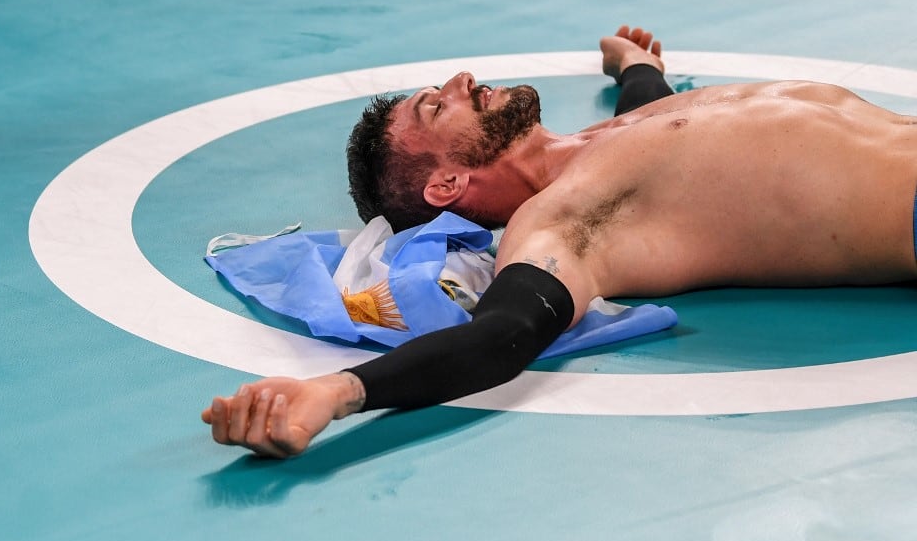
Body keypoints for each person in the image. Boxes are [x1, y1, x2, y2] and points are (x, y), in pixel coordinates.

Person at [202, 26, 917, 458]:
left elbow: (663, 125)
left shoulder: (606, 146)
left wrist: (635, 66)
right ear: (447, 185)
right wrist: (338, 391)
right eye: (437, 105)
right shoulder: (564, 220)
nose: (461, 80)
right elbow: (501, 335)